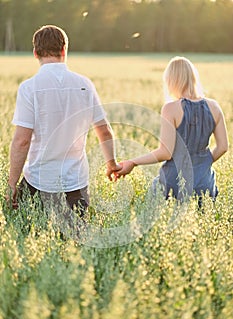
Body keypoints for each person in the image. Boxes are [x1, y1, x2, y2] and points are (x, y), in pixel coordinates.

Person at [7, 25, 121, 216]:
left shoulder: (29, 88)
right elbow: (104, 131)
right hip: (76, 184)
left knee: (31, 239)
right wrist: (112, 164)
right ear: (64, 50)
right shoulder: (85, 84)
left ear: (35, 53)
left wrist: (12, 185)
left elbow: (22, 141)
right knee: (75, 242)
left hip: (38, 182)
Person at [113, 56, 228, 203]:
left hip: (173, 184)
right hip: (205, 185)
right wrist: (202, 163)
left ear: (172, 81)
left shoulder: (170, 108)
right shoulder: (215, 107)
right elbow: (223, 147)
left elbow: (165, 153)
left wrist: (133, 162)